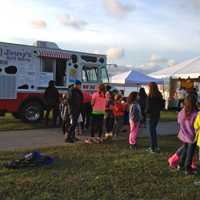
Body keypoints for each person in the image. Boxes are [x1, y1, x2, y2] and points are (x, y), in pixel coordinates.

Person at [177, 94, 198, 175]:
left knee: (185, 150)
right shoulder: (195, 114)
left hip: (183, 135)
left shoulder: (181, 112)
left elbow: (178, 122)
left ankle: (180, 164)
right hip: (191, 136)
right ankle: (187, 168)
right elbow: (196, 126)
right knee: (190, 153)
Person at [146, 82, 164, 153]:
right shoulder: (159, 94)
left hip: (150, 116)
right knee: (153, 131)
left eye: (148, 86)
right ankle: (155, 146)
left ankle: (152, 147)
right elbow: (162, 105)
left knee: (151, 132)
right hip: (157, 115)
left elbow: (148, 107)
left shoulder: (150, 95)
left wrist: (146, 113)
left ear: (150, 87)